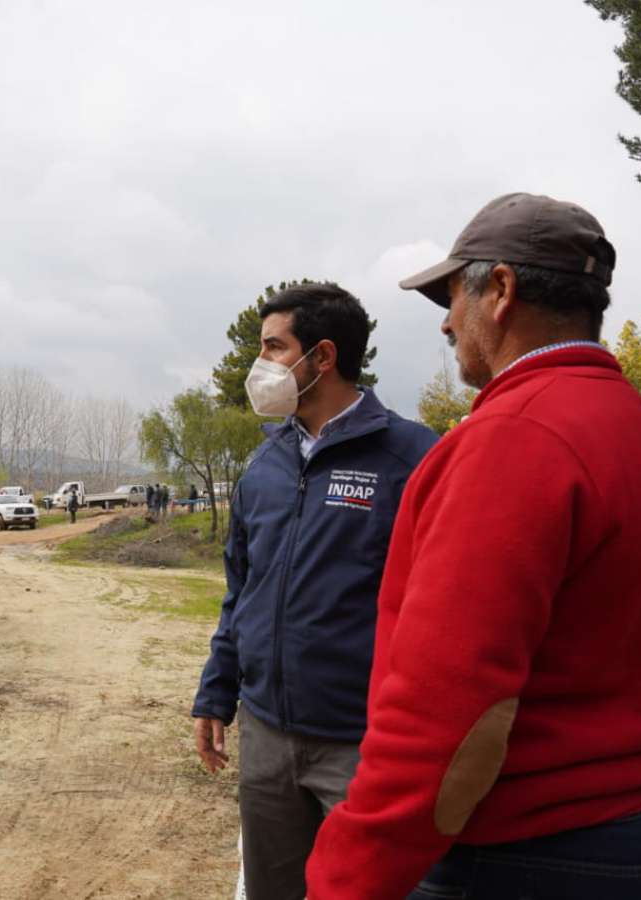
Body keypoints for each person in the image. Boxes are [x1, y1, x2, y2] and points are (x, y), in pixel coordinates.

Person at [306, 193, 641, 899]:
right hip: (634, 841)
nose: (447, 320)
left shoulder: (514, 439)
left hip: (519, 857)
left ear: (501, 292)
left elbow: (447, 716)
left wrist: (344, 881)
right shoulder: (640, 436)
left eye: (453, 295)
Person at [192, 283, 437, 900]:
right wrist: (216, 692)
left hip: (364, 746)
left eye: (275, 348)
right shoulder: (265, 464)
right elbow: (241, 590)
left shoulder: (413, 458)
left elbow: (438, 610)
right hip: (267, 735)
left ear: (322, 357)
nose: (261, 365)